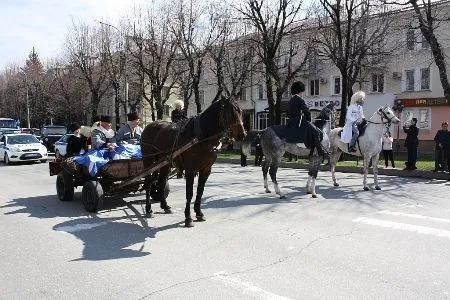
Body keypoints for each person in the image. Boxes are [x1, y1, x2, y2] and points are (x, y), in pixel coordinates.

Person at [286, 81, 328, 158]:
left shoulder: (290, 101)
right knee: (316, 132)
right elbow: (307, 112)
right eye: (303, 91)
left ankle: (312, 150)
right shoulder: (300, 100)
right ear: (300, 91)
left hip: (290, 123)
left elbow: (287, 113)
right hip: (300, 122)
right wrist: (309, 121)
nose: (304, 93)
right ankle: (320, 151)